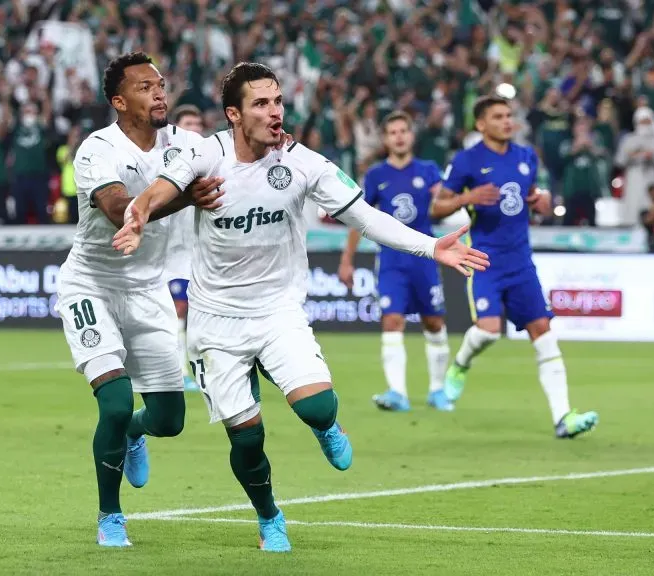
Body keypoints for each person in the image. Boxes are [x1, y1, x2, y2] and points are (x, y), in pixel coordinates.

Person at [113, 62, 488, 552]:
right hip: (216, 320)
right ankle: (269, 516)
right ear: (233, 114)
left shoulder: (303, 162)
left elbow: (366, 216)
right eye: (261, 104)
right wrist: (139, 211)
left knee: (316, 406)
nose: (274, 113)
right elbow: (165, 185)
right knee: (246, 439)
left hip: (277, 311)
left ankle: (328, 425)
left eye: (278, 102)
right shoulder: (206, 154)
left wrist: (431, 247)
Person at [58, 52, 220, 548]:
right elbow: (115, 210)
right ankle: (110, 516)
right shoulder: (96, 149)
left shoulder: (184, 144)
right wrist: (190, 197)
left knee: (169, 421)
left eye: (161, 85)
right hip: (91, 286)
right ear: (118, 100)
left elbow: (229, 161)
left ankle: (135, 432)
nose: (159, 93)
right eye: (146, 87)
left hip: (149, 290)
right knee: (113, 401)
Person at [430, 95, 599, 439]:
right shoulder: (467, 160)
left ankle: (563, 418)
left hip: (522, 262)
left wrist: (544, 202)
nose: (507, 121)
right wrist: (467, 198)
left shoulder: (526, 157)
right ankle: (461, 364)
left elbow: (536, 199)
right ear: (481, 124)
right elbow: (436, 208)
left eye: (509, 115)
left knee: (544, 334)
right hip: (486, 261)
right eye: (498, 116)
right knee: (490, 330)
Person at [338, 111, 452, 413]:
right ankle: (397, 392)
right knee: (391, 320)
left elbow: (443, 207)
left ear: (411, 136)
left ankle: (438, 390)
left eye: (404, 130)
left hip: (426, 257)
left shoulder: (428, 171)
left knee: (434, 321)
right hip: (391, 260)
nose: (399, 136)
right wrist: (347, 259)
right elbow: (358, 218)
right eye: (393, 132)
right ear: (386, 139)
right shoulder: (376, 175)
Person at [165, 105, 206, 391]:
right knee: (179, 310)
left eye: (198, 122)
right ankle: (179, 372)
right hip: (171, 252)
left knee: (202, 316)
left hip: (202, 252)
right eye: (188, 123)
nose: (195, 128)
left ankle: (204, 372)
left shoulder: (211, 160)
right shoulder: (166, 160)